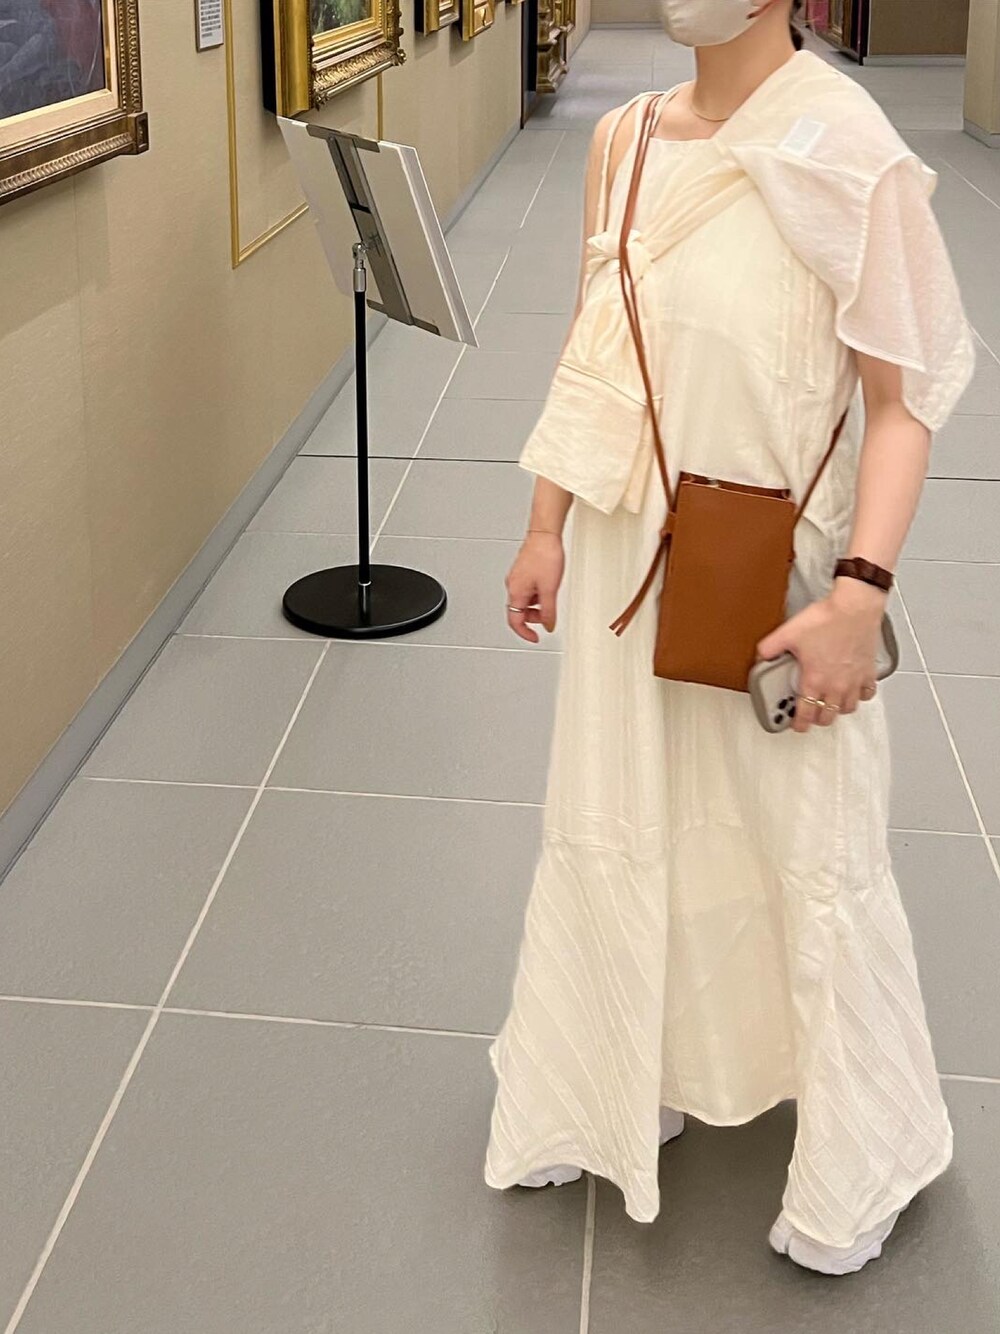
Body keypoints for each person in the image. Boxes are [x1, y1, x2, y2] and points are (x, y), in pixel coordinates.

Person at [484, 0, 974, 1278]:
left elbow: (905, 397)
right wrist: (544, 523)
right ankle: (619, 1066)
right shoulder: (629, 135)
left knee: (808, 839)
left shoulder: (849, 150)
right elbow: (597, 342)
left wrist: (860, 593)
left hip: (772, 560)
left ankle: (864, 1149)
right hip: (624, 546)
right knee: (624, 803)